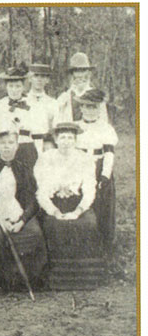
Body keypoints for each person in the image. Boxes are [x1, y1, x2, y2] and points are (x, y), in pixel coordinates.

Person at [0, 124, 48, 291]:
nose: (6, 146)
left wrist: (22, 220)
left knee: (34, 233)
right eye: (2, 143)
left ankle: (25, 280)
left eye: (10, 142)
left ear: (17, 146)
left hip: (20, 214)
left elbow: (32, 200)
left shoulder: (24, 168)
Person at [34, 122, 105, 290]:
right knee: (54, 224)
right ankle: (58, 281)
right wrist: (55, 211)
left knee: (87, 223)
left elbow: (89, 188)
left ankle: (85, 280)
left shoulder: (84, 158)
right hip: (54, 202)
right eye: (62, 137)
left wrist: (79, 211)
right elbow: (41, 191)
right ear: (56, 140)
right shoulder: (46, 158)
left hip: (77, 201)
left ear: (75, 140)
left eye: (70, 138)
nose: (66, 141)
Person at [75, 88, 119, 255]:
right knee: (81, 201)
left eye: (93, 107)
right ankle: (82, 243)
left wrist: (105, 175)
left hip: (99, 165)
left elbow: (108, 153)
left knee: (102, 205)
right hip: (80, 166)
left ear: (99, 109)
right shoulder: (76, 127)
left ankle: (104, 246)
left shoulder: (105, 128)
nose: (89, 110)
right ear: (81, 108)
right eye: (86, 107)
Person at [0, 65, 46, 168]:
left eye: (18, 86)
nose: (14, 90)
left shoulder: (35, 107)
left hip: (27, 151)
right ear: (6, 87)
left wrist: (41, 159)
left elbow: (39, 136)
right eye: (11, 86)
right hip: (4, 151)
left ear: (24, 87)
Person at [56, 52, 111, 124]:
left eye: (83, 71)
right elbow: (58, 119)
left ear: (88, 73)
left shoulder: (96, 96)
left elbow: (103, 120)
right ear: (72, 74)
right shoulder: (65, 96)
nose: (80, 75)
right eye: (77, 71)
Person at [25, 62, 58, 149]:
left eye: (43, 76)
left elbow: (55, 128)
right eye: (36, 76)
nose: (39, 79)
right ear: (29, 78)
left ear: (47, 80)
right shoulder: (22, 101)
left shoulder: (53, 103)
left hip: (45, 144)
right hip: (26, 143)